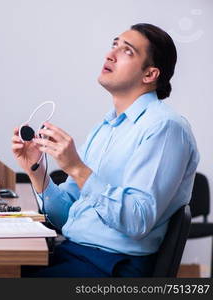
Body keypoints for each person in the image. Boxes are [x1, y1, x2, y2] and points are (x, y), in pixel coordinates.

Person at [12, 23, 199, 277]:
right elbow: (67, 216)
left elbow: (137, 220)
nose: (110, 54)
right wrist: (36, 170)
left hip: (112, 267)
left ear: (149, 74)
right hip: (74, 253)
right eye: (114, 45)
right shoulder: (106, 127)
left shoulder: (165, 128)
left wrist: (77, 168)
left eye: (127, 51)